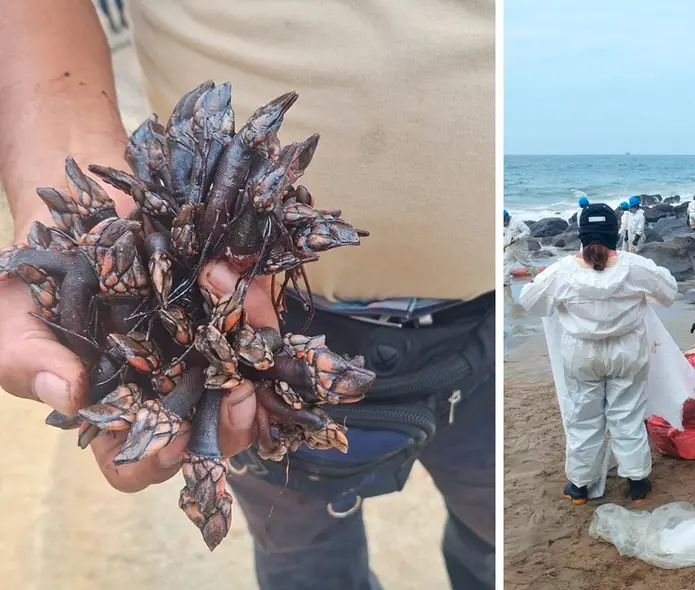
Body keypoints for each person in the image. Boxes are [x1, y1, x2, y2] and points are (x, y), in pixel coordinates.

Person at [0, 3, 496, 589]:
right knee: (300, 551)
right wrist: (66, 154)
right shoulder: (139, 260)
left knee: (493, 531)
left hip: (490, 322)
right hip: (244, 356)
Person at [519, 203, 679, 503]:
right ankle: (637, 484)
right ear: (615, 233)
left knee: (583, 418)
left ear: (582, 235)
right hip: (628, 350)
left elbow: (530, 301)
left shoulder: (563, 272)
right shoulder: (635, 266)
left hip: (582, 353)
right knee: (627, 415)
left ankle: (580, 486)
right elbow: (670, 292)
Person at [504, 209, 538, 285]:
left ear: (506, 217)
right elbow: (505, 236)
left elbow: (527, 231)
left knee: (527, 264)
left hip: (520, 248)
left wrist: (518, 238)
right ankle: (505, 281)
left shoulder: (517, 222)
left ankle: (537, 278)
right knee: (505, 263)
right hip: (510, 248)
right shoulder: (504, 226)